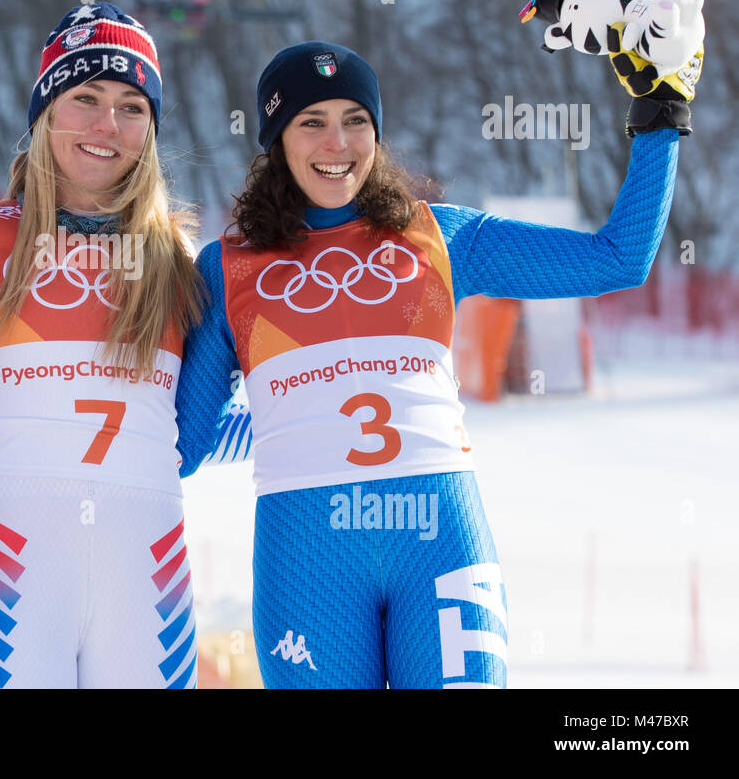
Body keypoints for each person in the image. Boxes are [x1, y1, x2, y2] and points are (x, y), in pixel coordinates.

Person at [175, 38, 693, 688]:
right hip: (308, 561)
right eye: (312, 121)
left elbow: (617, 258)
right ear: (277, 137)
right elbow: (183, 443)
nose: (337, 142)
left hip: (440, 544)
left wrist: (661, 112)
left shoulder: (441, 237)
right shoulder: (229, 268)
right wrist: (282, 427)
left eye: (355, 120)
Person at [0, 2, 208, 687]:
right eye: (83, 97)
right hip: (10, 574)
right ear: (45, 113)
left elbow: (240, 414)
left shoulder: (177, 257)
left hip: (146, 578)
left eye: (131, 106)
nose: (106, 125)